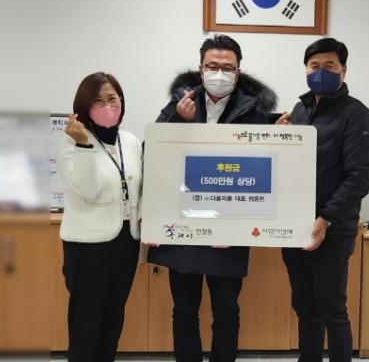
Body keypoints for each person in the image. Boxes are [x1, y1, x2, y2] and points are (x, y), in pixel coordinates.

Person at [147, 34, 276, 362]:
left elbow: (265, 168)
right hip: (184, 223)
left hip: (230, 226)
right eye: (212, 66)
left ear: (238, 71)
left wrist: (282, 136)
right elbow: (153, 154)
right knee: (184, 309)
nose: (219, 73)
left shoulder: (254, 110)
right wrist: (178, 121)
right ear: (201, 68)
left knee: (227, 310)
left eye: (227, 67)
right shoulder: (181, 103)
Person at [277, 38, 369, 362]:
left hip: (332, 229)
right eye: (314, 66)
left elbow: (359, 177)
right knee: (305, 308)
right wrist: (278, 137)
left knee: (333, 311)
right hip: (297, 227)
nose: (321, 72)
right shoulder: (299, 111)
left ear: (343, 70)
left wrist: (326, 217)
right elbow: (290, 166)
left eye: (329, 66)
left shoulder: (357, 115)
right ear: (306, 70)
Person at [57, 72, 143, 362]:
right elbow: (88, 190)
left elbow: (138, 189)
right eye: (98, 101)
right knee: (87, 324)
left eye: (112, 99)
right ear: (84, 106)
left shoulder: (130, 141)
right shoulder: (71, 142)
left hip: (125, 242)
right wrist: (83, 145)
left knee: (113, 320)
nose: (107, 106)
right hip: (88, 247)